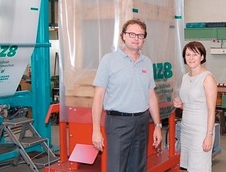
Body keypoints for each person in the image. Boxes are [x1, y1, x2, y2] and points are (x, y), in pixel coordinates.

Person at [92, 19, 162, 172]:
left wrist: (157, 125)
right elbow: (98, 96)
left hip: (142, 121)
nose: (136, 38)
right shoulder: (109, 60)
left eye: (140, 35)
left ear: (144, 39)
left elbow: (151, 95)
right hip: (118, 122)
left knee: (138, 167)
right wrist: (96, 129)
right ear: (123, 36)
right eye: (132, 34)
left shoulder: (147, 62)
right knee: (117, 167)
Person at [173, 41, 217, 172]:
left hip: (201, 131)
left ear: (202, 57)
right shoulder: (185, 77)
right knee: (189, 167)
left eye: (195, 54)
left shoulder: (207, 78)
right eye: (188, 55)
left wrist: (208, 135)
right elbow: (192, 104)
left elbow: (211, 110)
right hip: (186, 129)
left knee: (199, 167)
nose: (191, 58)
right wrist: (181, 105)